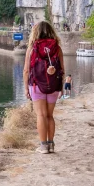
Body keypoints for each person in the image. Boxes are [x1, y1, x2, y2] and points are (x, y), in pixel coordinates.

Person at [23, 20, 64, 154]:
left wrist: (25, 88)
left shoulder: (32, 48)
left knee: (41, 115)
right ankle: (51, 145)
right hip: (54, 85)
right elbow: (62, 69)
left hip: (36, 86)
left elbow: (26, 71)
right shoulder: (57, 48)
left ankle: (43, 146)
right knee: (50, 115)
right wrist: (61, 87)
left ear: (36, 32)